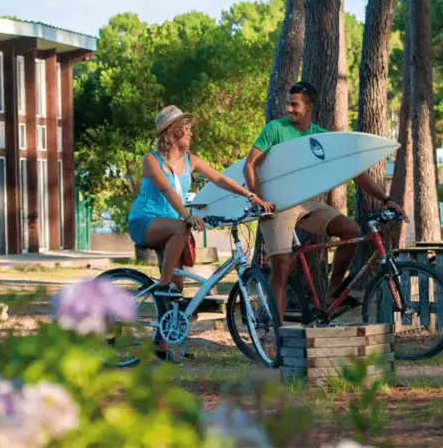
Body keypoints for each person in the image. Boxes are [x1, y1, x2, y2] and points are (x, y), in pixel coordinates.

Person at [243, 81, 408, 319]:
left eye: (294, 105)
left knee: (351, 230)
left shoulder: (321, 137)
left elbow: (356, 173)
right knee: (281, 267)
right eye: (288, 104)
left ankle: (333, 291)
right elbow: (250, 164)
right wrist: (258, 199)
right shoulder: (275, 129)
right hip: (276, 206)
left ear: (309, 106)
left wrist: (386, 199)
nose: (289, 109)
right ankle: (275, 339)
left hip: (304, 203)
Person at [128, 105, 274, 358]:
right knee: (170, 282)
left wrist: (251, 196)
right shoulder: (150, 160)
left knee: (176, 293)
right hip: (146, 221)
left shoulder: (190, 160)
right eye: (186, 131)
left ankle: (160, 347)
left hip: (175, 228)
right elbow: (167, 191)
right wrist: (187, 216)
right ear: (173, 134)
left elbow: (220, 180)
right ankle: (163, 285)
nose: (191, 135)